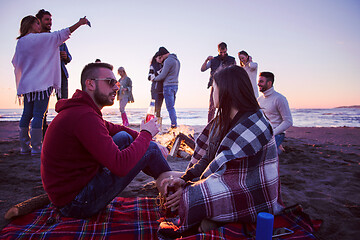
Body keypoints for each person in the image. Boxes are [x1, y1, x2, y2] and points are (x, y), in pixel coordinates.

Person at [157, 65, 283, 238]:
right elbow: (208, 159)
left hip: (251, 190)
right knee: (167, 180)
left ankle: (211, 220)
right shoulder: (221, 121)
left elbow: (227, 175)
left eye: (214, 88)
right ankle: (213, 220)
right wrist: (185, 179)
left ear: (225, 91)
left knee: (189, 198)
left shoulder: (255, 123)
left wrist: (189, 191)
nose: (212, 94)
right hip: (223, 181)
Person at [41, 62, 172, 219]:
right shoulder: (84, 116)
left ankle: (166, 180)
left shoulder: (82, 110)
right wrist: (146, 134)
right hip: (76, 203)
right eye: (110, 82)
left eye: (116, 82)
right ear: (90, 84)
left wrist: (143, 136)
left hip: (71, 191)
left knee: (125, 137)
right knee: (149, 148)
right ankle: (172, 187)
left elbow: (117, 129)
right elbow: (120, 166)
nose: (116, 88)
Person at [12, 15, 89, 156]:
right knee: (38, 115)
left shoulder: (20, 42)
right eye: (37, 23)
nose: (39, 26)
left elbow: (15, 62)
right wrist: (80, 23)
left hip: (27, 84)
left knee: (26, 114)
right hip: (42, 83)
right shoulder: (42, 38)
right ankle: (36, 148)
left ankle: (24, 147)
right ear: (31, 24)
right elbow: (63, 33)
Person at [35, 9, 73, 137]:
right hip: (44, 77)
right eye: (47, 19)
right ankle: (44, 136)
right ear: (39, 21)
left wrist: (65, 56)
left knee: (64, 107)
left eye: (51, 20)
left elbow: (69, 57)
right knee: (42, 109)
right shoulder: (36, 39)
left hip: (61, 75)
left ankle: (64, 135)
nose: (50, 22)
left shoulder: (58, 38)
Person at [257, 72, 293, 152]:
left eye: (261, 81)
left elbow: (288, 121)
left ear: (269, 83)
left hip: (277, 134)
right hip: (264, 133)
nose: (258, 84)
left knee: (265, 153)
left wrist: (273, 133)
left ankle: (278, 148)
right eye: (258, 81)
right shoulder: (259, 100)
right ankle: (278, 147)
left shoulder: (279, 98)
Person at [201, 42, 236, 122]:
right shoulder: (213, 60)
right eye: (221, 52)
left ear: (226, 50)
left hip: (227, 85)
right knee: (212, 107)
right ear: (218, 50)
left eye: (224, 52)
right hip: (215, 84)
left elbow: (235, 71)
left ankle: (227, 123)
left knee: (228, 106)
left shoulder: (232, 59)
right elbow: (202, 69)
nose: (223, 54)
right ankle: (209, 125)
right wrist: (206, 60)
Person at [153, 47, 180, 128]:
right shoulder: (177, 60)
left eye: (161, 57)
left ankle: (174, 125)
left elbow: (162, 75)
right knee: (172, 107)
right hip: (175, 85)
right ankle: (174, 124)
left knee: (170, 108)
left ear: (162, 55)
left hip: (168, 86)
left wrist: (154, 79)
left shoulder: (168, 60)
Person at [148, 52, 164, 118]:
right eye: (159, 58)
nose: (160, 59)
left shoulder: (164, 65)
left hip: (162, 90)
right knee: (153, 108)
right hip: (155, 89)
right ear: (156, 58)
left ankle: (157, 124)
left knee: (159, 109)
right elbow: (149, 77)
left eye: (161, 58)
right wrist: (158, 72)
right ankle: (151, 123)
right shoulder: (153, 66)